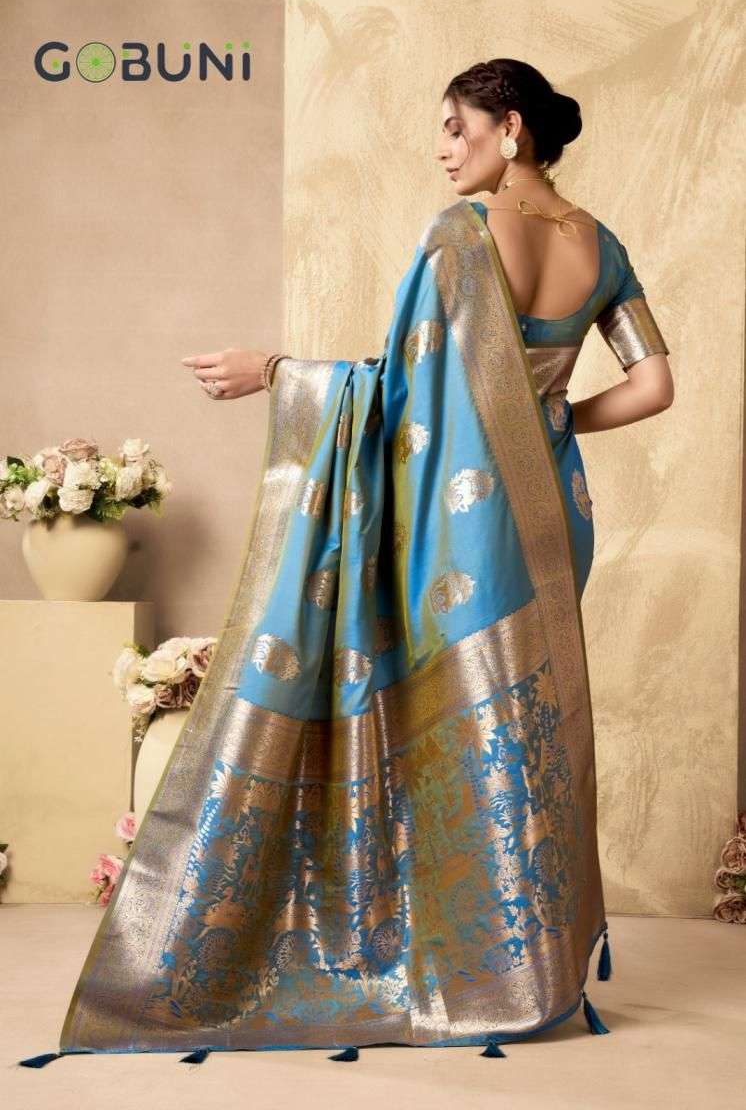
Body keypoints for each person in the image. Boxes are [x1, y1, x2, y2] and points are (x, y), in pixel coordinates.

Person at [21, 59, 673, 1069]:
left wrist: (276, 372)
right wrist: (548, 421)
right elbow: (654, 384)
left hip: (468, 525)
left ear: (509, 128)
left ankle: (457, 962)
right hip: (549, 513)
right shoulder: (603, 245)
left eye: (454, 126)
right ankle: (526, 966)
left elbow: (405, 392)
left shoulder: (461, 235)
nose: (441, 149)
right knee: (521, 722)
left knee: (452, 722)